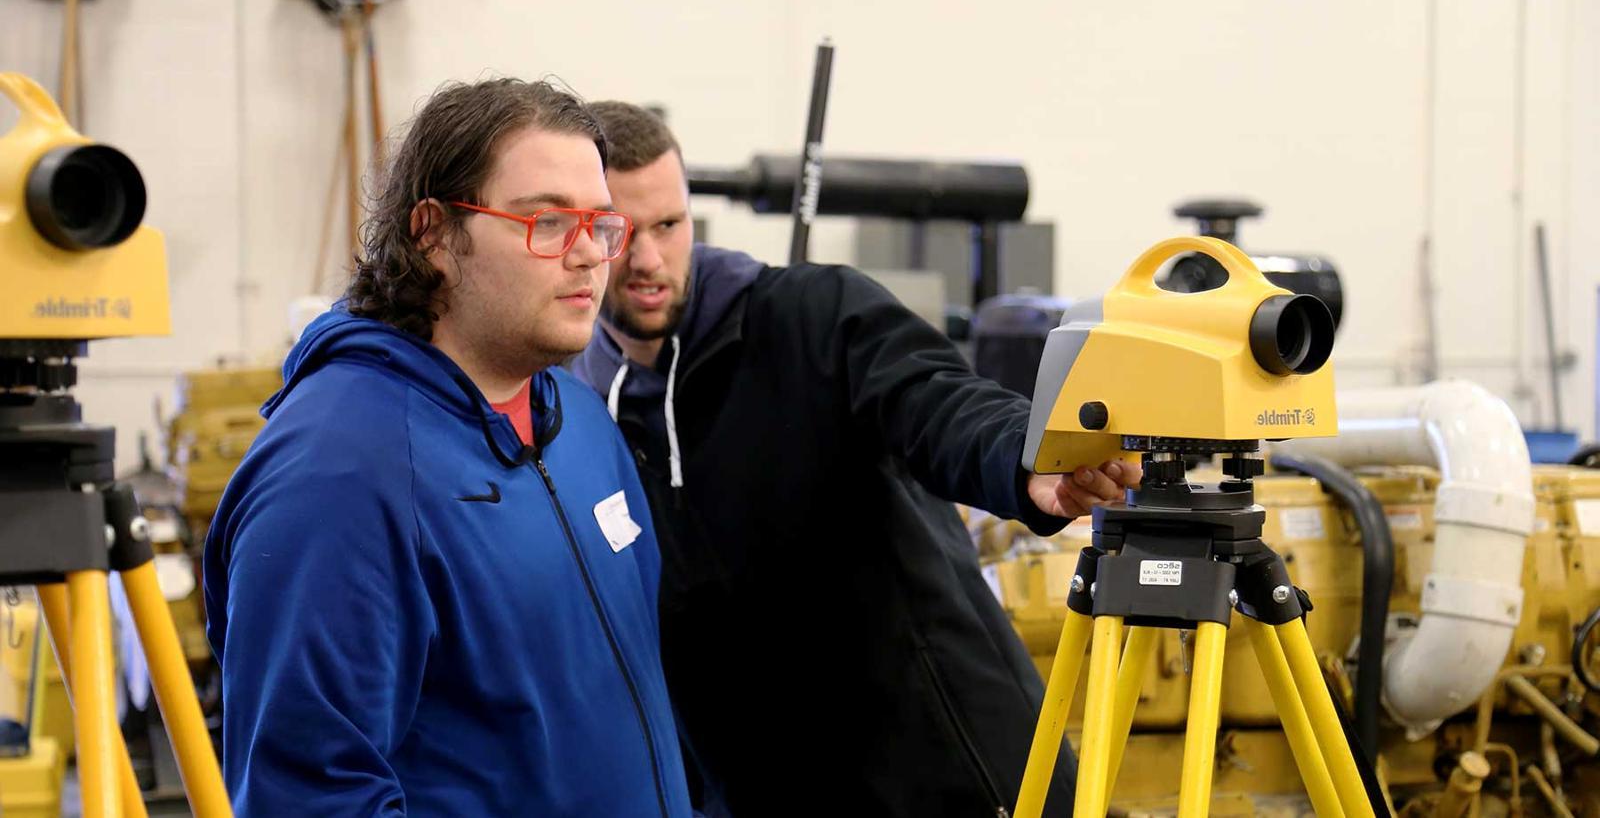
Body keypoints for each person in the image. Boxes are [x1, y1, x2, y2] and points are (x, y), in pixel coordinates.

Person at [571, 101, 1141, 817]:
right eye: (621, 231)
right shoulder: (574, 406)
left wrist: (1029, 460)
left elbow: (934, 396)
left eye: (669, 225)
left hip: (949, 766)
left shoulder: (812, 315)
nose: (649, 259)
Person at [202, 79, 693, 817]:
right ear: (433, 233)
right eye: (549, 222)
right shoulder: (339, 474)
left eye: (599, 223)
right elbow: (310, 796)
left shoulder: (581, 421)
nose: (591, 255)